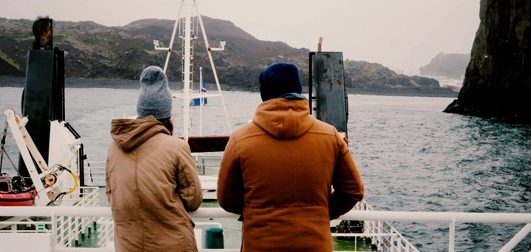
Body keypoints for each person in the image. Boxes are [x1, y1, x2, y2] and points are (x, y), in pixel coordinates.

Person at [217, 62, 365, 251]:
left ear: (264, 94)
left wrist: (256, 211)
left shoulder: (241, 139)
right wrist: (321, 212)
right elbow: (353, 190)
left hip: (260, 244)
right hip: (315, 243)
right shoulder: (330, 135)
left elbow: (226, 199)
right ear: (298, 89)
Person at [106, 66, 202, 252]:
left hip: (128, 245)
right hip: (172, 245)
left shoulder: (114, 148)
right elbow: (193, 199)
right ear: (167, 113)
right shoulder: (177, 147)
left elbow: (111, 194)